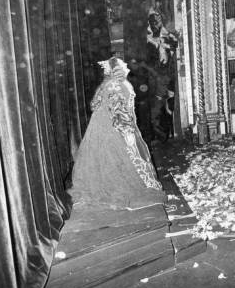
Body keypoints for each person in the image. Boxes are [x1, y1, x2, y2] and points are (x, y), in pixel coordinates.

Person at [69, 57, 164, 210]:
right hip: (112, 128)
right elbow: (118, 110)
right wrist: (127, 131)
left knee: (107, 159)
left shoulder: (111, 84)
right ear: (116, 68)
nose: (126, 66)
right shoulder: (115, 84)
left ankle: (107, 188)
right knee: (117, 158)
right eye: (122, 64)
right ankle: (116, 190)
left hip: (104, 127)